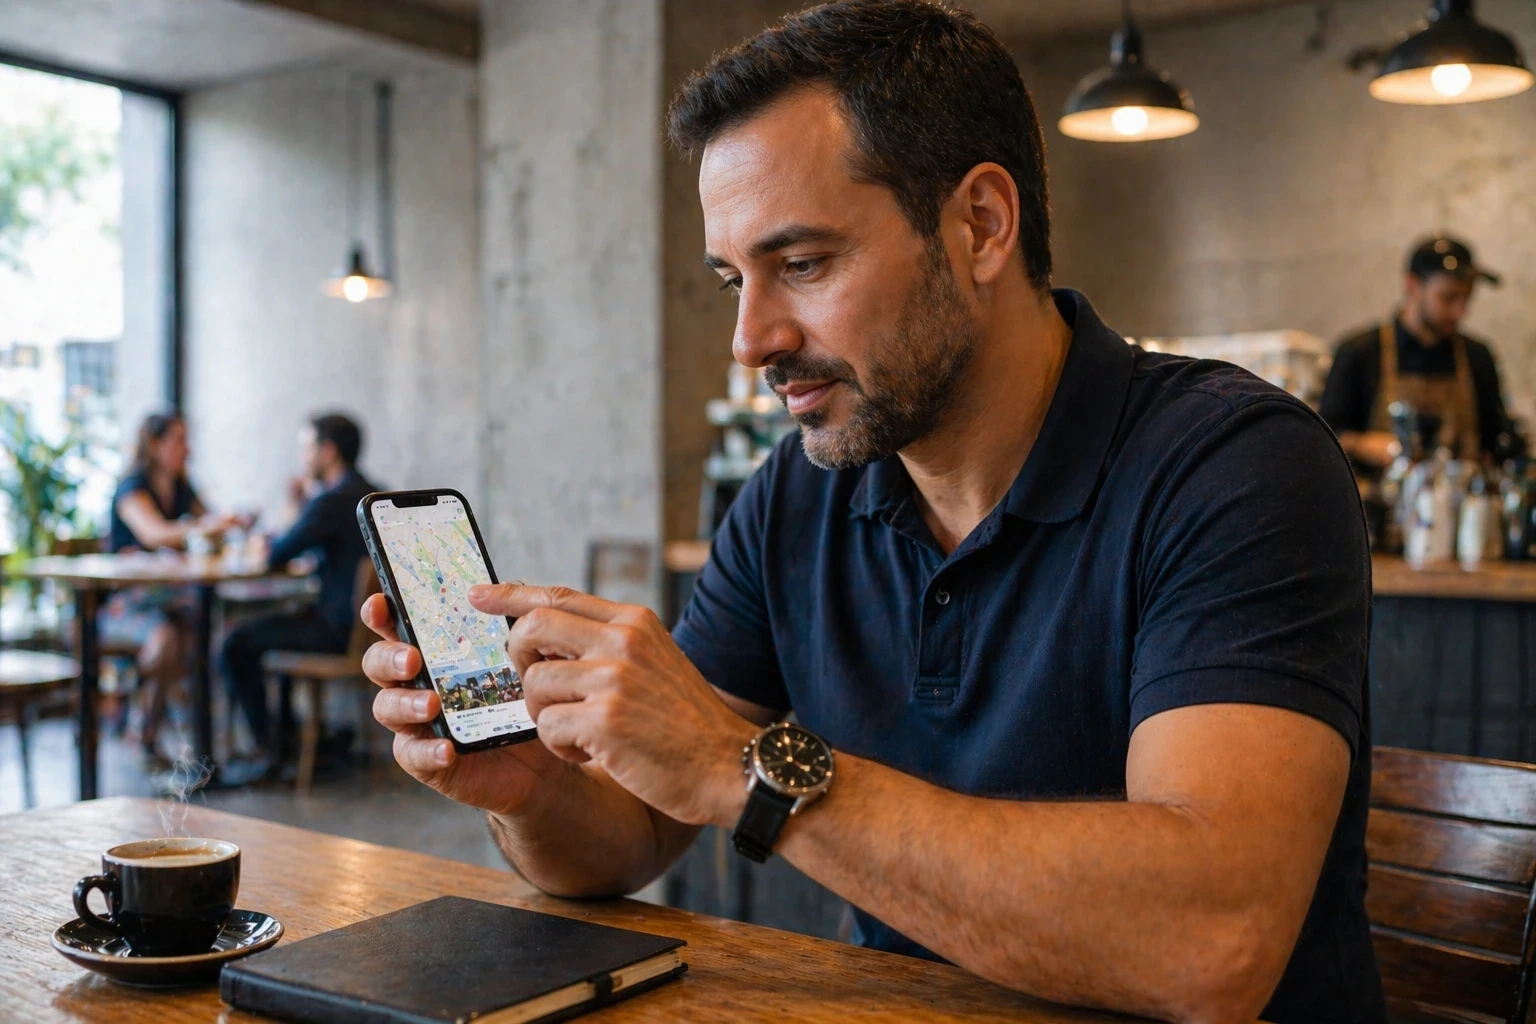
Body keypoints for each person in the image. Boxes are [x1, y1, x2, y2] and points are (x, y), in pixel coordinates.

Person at [360, 4, 1382, 1022]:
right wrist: (532, 786)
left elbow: (1209, 943)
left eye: (801, 264)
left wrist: (740, 765)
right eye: (732, 280)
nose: (749, 340)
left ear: (980, 225)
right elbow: (629, 834)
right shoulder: (798, 494)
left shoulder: (1235, 464)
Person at [220, 413, 378, 768]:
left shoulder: (330, 502)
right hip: (369, 633)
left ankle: (271, 749)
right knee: (280, 628)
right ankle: (293, 740)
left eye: (308, 449)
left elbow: (276, 552)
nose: (304, 459)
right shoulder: (373, 493)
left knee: (234, 645)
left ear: (329, 452)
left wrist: (294, 504)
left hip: (335, 631)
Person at [104, 412, 243, 763]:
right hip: (124, 606)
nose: (187, 449)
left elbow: (209, 524)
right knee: (169, 642)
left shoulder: (182, 486)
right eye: (179, 439)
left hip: (169, 602)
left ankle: (174, 734)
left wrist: (222, 524)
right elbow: (153, 532)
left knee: (205, 635)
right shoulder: (132, 487)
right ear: (154, 444)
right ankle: (144, 725)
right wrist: (208, 525)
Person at [1320, 235, 1517, 470]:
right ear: (1413, 286)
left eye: (1466, 298)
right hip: (1374, 503)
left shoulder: (1478, 357)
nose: (1460, 311)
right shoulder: (1359, 352)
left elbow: (1496, 441)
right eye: (1448, 297)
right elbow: (1324, 437)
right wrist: (1366, 444)